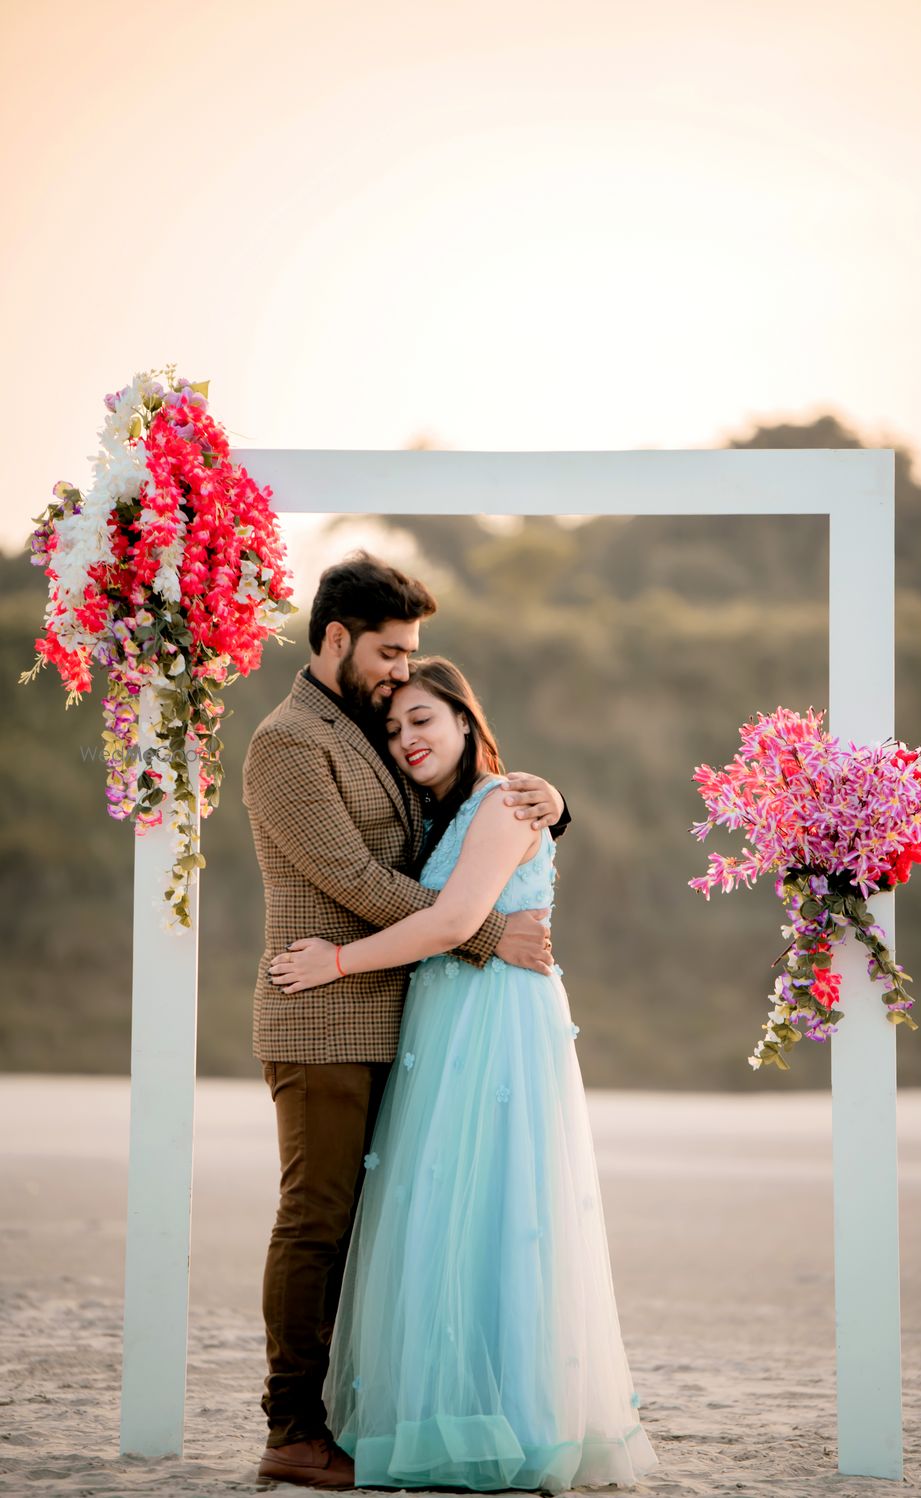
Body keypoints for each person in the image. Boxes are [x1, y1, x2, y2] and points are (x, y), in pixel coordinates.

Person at [269, 657, 658, 1494]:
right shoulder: (446, 814)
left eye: (423, 721)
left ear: (464, 722)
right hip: (449, 1027)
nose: (407, 739)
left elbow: (450, 919)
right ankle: (443, 1415)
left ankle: (510, 1419)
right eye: (395, 728)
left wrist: (334, 960)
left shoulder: (504, 797)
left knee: (494, 1214)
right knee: (445, 1213)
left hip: (495, 1029)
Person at [243, 552, 569, 1491]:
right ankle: (293, 1430)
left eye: (413, 658)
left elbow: (455, 826)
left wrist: (547, 804)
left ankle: (354, 1416)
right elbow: (349, 877)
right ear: (335, 638)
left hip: (404, 1017)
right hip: (322, 1011)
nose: (399, 672)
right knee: (315, 1223)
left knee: (377, 1229)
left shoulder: (363, 726)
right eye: (390, 652)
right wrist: (485, 933)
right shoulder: (287, 742)